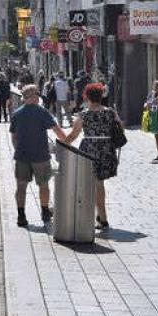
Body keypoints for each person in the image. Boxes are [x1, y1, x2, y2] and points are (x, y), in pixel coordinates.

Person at [65, 83, 121, 229]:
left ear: (87, 97)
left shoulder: (84, 114)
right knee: (99, 183)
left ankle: (102, 218)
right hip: (106, 149)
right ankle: (99, 215)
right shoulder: (110, 112)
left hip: (89, 150)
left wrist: (62, 144)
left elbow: (73, 134)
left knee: (95, 184)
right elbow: (120, 128)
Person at [9, 84, 66, 227]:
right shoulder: (42, 112)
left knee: (21, 187)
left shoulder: (17, 113)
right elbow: (56, 130)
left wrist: (19, 150)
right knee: (43, 184)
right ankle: (45, 212)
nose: (39, 96)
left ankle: (21, 216)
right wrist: (67, 142)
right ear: (33, 96)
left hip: (22, 156)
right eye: (37, 94)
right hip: (40, 155)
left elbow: (14, 137)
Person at [144, 80, 158, 164]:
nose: (154, 88)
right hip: (154, 115)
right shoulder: (152, 94)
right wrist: (146, 104)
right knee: (156, 136)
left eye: (155, 86)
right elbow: (147, 101)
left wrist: (155, 104)